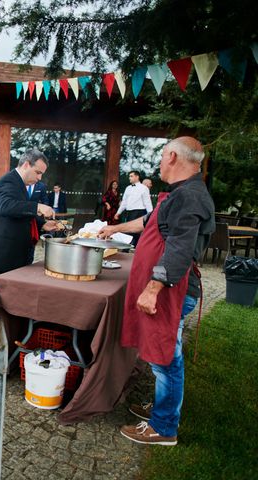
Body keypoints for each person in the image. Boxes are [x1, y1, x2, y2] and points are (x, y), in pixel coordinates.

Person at [98, 137, 214, 446]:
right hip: (166, 290)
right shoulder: (180, 194)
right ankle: (164, 407)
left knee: (167, 358)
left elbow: (179, 248)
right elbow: (149, 222)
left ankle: (164, 427)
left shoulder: (189, 196)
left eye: (162, 156)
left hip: (171, 292)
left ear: (173, 156)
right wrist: (114, 228)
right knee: (162, 357)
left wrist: (152, 289)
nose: (160, 162)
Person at [0, 149, 57, 291]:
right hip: (2, 256)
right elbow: (6, 206)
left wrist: (43, 224)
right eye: (38, 173)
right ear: (26, 165)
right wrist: (38, 206)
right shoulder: (9, 181)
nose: (39, 178)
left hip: (13, 255)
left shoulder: (19, 183)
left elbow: (19, 212)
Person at [115, 170, 153, 246]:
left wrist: (151, 214)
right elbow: (124, 202)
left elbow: (147, 202)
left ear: (137, 177)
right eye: (129, 176)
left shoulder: (144, 188)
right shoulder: (128, 188)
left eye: (131, 176)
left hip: (139, 212)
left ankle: (135, 249)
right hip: (128, 213)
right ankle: (127, 248)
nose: (129, 178)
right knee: (127, 231)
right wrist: (118, 213)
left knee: (136, 232)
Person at [26, 179, 49, 264]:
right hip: (22, 217)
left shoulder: (41, 186)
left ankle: (29, 261)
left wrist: (43, 210)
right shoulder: (21, 184)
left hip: (36, 219)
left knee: (33, 241)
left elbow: (45, 200)